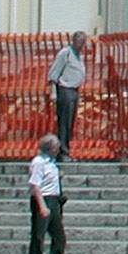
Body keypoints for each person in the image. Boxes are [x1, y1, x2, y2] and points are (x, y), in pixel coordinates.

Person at [25, 134, 65, 254]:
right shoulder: (39, 162)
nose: (58, 150)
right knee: (38, 237)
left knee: (59, 237)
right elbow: (35, 185)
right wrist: (42, 206)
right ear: (50, 148)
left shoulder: (52, 163)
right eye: (56, 147)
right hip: (43, 199)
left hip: (54, 200)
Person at [46, 32, 87, 161]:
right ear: (74, 41)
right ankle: (62, 152)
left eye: (83, 42)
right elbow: (54, 73)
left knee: (70, 122)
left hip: (74, 90)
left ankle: (66, 149)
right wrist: (53, 92)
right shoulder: (65, 53)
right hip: (65, 90)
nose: (82, 45)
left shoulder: (79, 55)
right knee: (64, 122)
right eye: (80, 42)